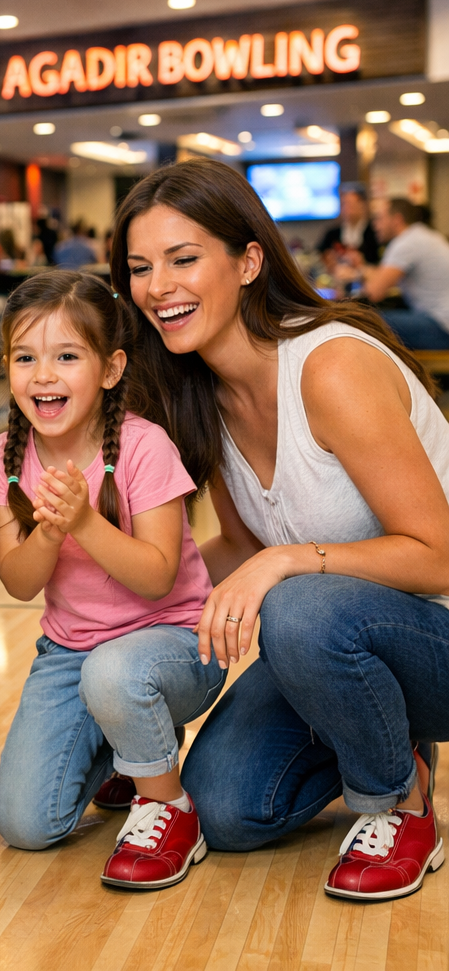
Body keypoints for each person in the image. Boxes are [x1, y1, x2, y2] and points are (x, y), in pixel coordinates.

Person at [111, 156, 448, 901]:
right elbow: (237, 547)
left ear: (250, 261)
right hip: (344, 638)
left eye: (184, 258)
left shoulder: (329, 366)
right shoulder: (204, 391)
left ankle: (402, 799)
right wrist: (126, 598)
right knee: (228, 810)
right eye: (140, 267)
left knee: (294, 603)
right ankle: (375, 728)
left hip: (436, 637)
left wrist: (289, 560)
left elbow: (439, 559)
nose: (158, 286)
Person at [0, 270, 220, 889]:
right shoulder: (6, 456)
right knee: (24, 825)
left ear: (111, 369)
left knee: (113, 672)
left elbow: (157, 576)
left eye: (67, 356)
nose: (43, 375)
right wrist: (50, 531)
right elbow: (17, 582)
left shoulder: (144, 447)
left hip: (174, 645)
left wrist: (85, 520)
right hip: (69, 653)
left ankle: (168, 806)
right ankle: (128, 748)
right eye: (25, 357)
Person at [359, 198, 449, 350]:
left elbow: (373, 293)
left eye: (380, 218)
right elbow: (383, 277)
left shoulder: (406, 243)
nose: (375, 225)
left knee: (364, 320)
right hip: (441, 320)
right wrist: (361, 270)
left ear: (397, 220)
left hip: (441, 328)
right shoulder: (422, 235)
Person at [317, 184, 379, 269]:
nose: (346, 208)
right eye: (344, 204)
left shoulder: (374, 231)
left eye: (350, 204)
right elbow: (319, 253)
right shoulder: (332, 233)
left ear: (362, 205)